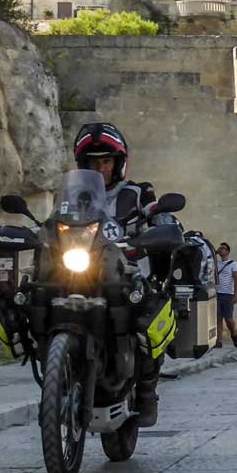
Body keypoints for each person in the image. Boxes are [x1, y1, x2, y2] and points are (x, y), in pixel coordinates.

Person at [72, 122, 162, 426]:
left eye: (106, 161)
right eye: (94, 162)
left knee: (146, 320)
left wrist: (164, 227)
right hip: (84, 272)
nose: (101, 167)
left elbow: (158, 216)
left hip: (128, 274)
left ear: (118, 164)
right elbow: (54, 222)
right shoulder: (77, 198)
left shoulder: (137, 193)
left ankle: (147, 390)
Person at [215, 242, 237, 348]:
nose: (221, 250)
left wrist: (235, 295)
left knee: (228, 319)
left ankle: (234, 334)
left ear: (228, 251)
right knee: (218, 318)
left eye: (223, 248)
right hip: (217, 294)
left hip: (228, 295)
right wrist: (215, 252)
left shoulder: (233, 264)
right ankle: (219, 341)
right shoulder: (216, 263)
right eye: (220, 248)